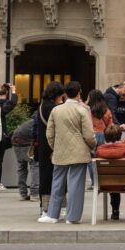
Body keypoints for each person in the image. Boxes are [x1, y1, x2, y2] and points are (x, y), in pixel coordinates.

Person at [40, 80, 97, 224]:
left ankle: (52, 214)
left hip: (60, 151)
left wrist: (55, 146)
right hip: (79, 152)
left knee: (57, 183)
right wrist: (92, 146)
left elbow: (49, 134)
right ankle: (72, 217)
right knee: (75, 185)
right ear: (79, 93)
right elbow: (89, 135)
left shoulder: (56, 110)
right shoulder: (82, 110)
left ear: (65, 93)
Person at [93, 123, 125, 220]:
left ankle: (115, 212)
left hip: (107, 184)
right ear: (119, 136)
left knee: (113, 179)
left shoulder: (99, 150)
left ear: (105, 137)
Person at [35, 81, 65, 216]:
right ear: (56, 95)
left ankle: (44, 206)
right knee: (59, 176)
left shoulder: (41, 106)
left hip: (43, 146)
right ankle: (59, 206)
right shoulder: (54, 109)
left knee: (45, 176)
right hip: (54, 146)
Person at [0, 83, 18, 190]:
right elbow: (13, 103)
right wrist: (14, 91)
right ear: (7, 93)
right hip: (1, 136)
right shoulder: (3, 107)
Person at [11, 117, 39, 200]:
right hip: (27, 140)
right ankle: (34, 194)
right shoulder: (39, 121)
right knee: (35, 165)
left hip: (15, 139)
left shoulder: (31, 121)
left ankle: (23, 193)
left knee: (21, 167)